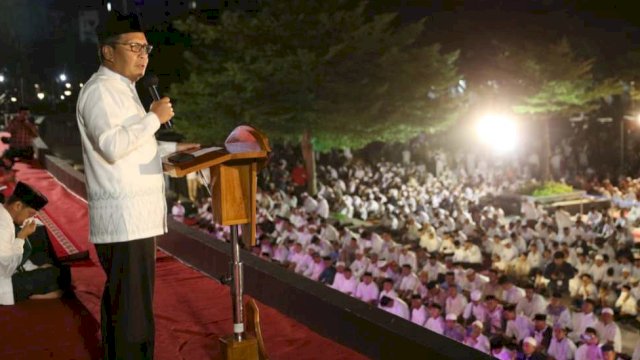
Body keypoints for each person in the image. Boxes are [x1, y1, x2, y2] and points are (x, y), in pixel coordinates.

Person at [76, 11, 199, 359]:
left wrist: (175, 149)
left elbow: (134, 145)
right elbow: (113, 146)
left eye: (146, 48)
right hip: (125, 220)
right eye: (134, 47)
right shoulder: (100, 91)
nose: (143, 55)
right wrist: (154, 118)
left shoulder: (124, 90)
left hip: (136, 218)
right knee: (131, 312)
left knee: (129, 306)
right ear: (108, 52)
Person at [0, 182, 62, 304]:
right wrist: (22, 237)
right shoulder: (2, 227)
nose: (29, 218)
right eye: (30, 214)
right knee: (56, 274)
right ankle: (50, 290)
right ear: (17, 206)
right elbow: (5, 269)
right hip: (4, 283)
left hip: (8, 268)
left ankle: (46, 281)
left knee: (39, 231)